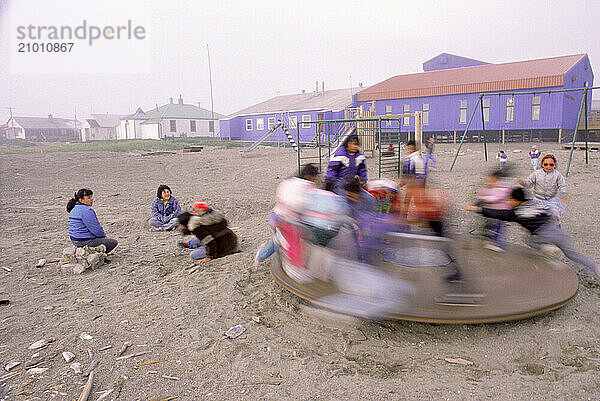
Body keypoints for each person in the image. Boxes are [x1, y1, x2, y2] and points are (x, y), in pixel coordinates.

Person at [464, 187, 598, 276]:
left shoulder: (516, 213)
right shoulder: (533, 203)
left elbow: (498, 214)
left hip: (542, 234)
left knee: (530, 240)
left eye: (510, 200)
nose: (508, 202)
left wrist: (477, 209)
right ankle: (596, 268)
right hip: (557, 229)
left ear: (516, 201)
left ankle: (547, 248)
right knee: (573, 254)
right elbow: (549, 211)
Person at [254, 164, 320, 268]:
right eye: (315, 178)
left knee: (280, 239)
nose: (316, 180)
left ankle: (263, 254)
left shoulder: (289, 182)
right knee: (299, 240)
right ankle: (287, 262)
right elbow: (302, 206)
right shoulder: (307, 187)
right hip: (287, 221)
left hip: (275, 216)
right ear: (310, 177)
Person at [66, 189, 118, 253]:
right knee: (112, 242)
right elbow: (96, 229)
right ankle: (94, 253)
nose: (91, 199)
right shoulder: (86, 210)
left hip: (75, 240)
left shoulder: (74, 209)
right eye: (88, 198)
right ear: (81, 200)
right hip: (83, 241)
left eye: (91, 197)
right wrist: (103, 236)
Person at [475, 169, 513, 252]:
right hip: (494, 212)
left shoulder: (503, 189)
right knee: (494, 227)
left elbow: (494, 199)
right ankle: (493, 241)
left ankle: (500, 245)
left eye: (493, 180)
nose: (491, 182)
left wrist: (483, 197)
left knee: (500, 229)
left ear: (498, 180)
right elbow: (483, 192)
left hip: (502, 213)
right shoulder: (493, 187)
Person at [519, 154, 567, 220]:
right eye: (546, 164)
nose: (548, 166)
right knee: (537, 217)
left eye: (551, 165)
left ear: (554, 165)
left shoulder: (557, 174)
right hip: (538, 199)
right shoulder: (536, 173)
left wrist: (563, 193)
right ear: (542, 164)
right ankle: (540, 228)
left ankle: (556, 227)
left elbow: (562, 185)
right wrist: (524, 184)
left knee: (555, 215)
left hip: (551, 199)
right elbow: (529, 184)